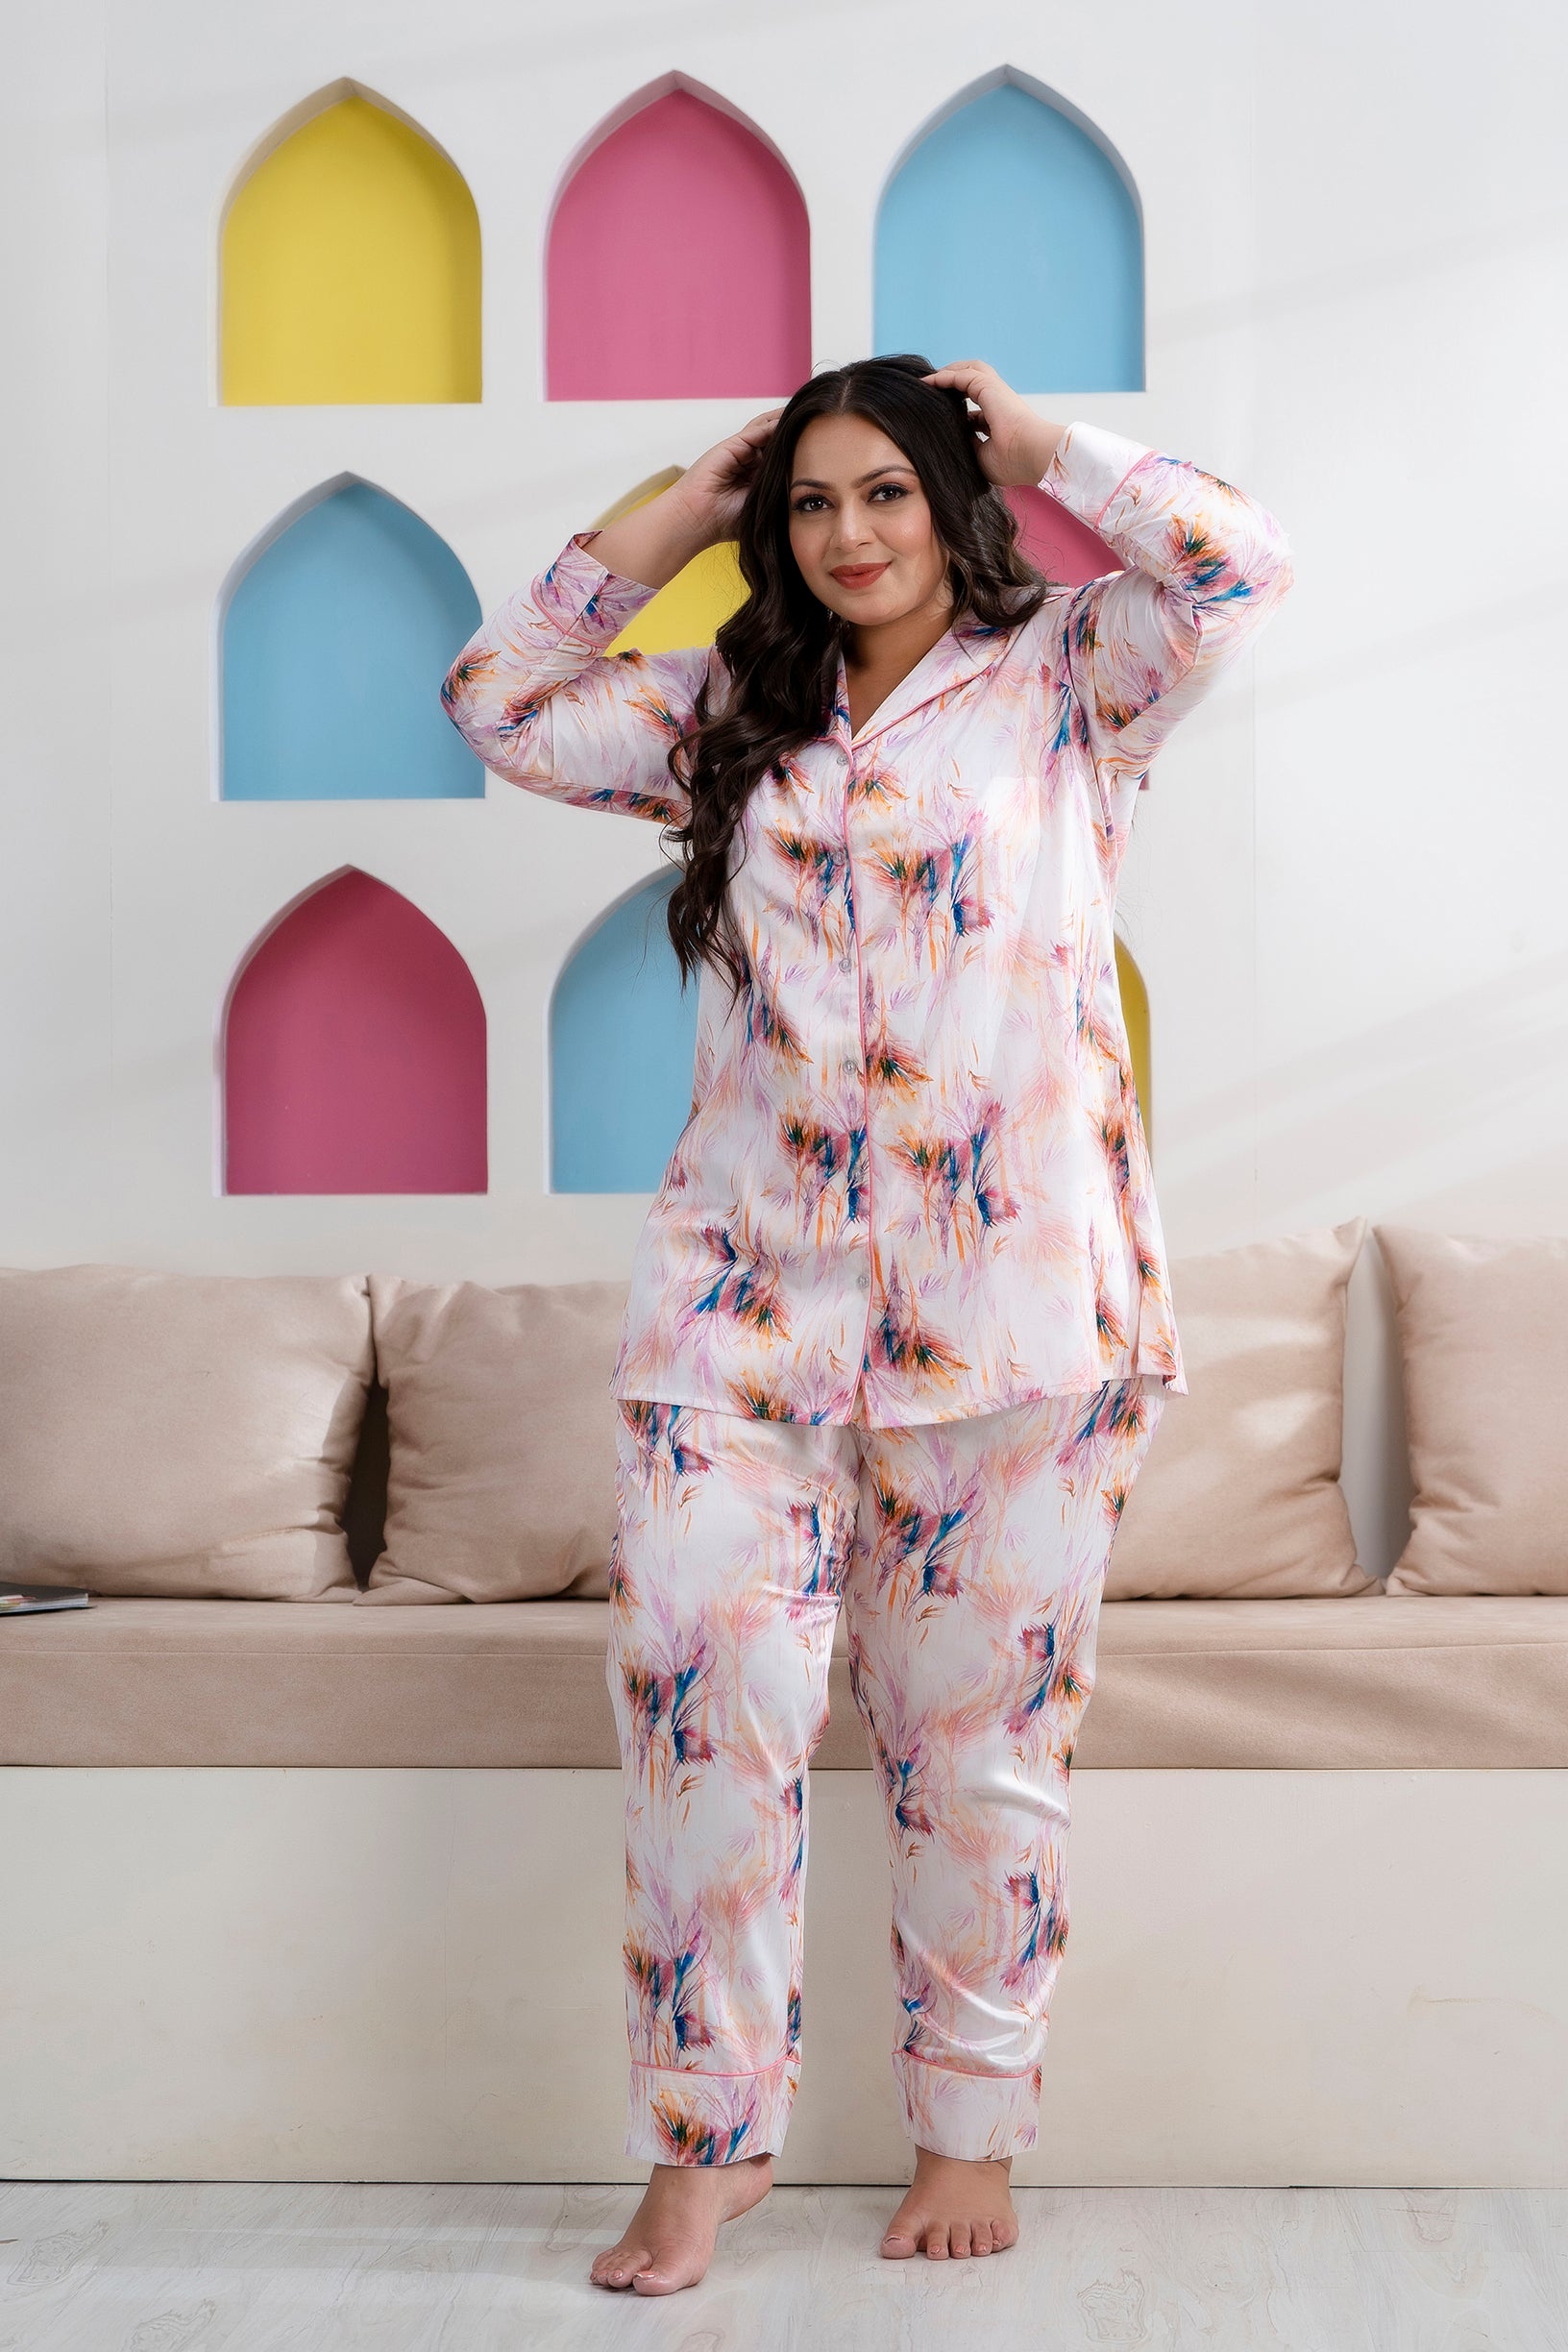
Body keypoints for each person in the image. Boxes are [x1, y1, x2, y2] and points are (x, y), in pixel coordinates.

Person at [440, 355, 1294, 2292]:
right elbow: (498, 701)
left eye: (885, 493)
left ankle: (966, 2134)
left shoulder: (1077, 674)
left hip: (1024, 1316)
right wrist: (683, 501)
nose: (847, 533)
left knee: (978, 1752)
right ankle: (704, 2144)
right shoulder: (724, 710)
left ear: (953, 500)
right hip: (739, 1313)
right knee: (699, 1711)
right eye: (810, 501)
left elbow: (1239, 564)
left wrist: (1054, 442)